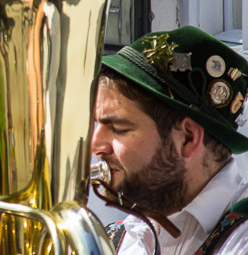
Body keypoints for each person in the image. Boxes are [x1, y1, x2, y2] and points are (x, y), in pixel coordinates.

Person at [92, 25, 248, 254]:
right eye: (97, 124)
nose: (95, 146)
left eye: (119, 129)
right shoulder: (116, 237)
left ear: (188, 138)